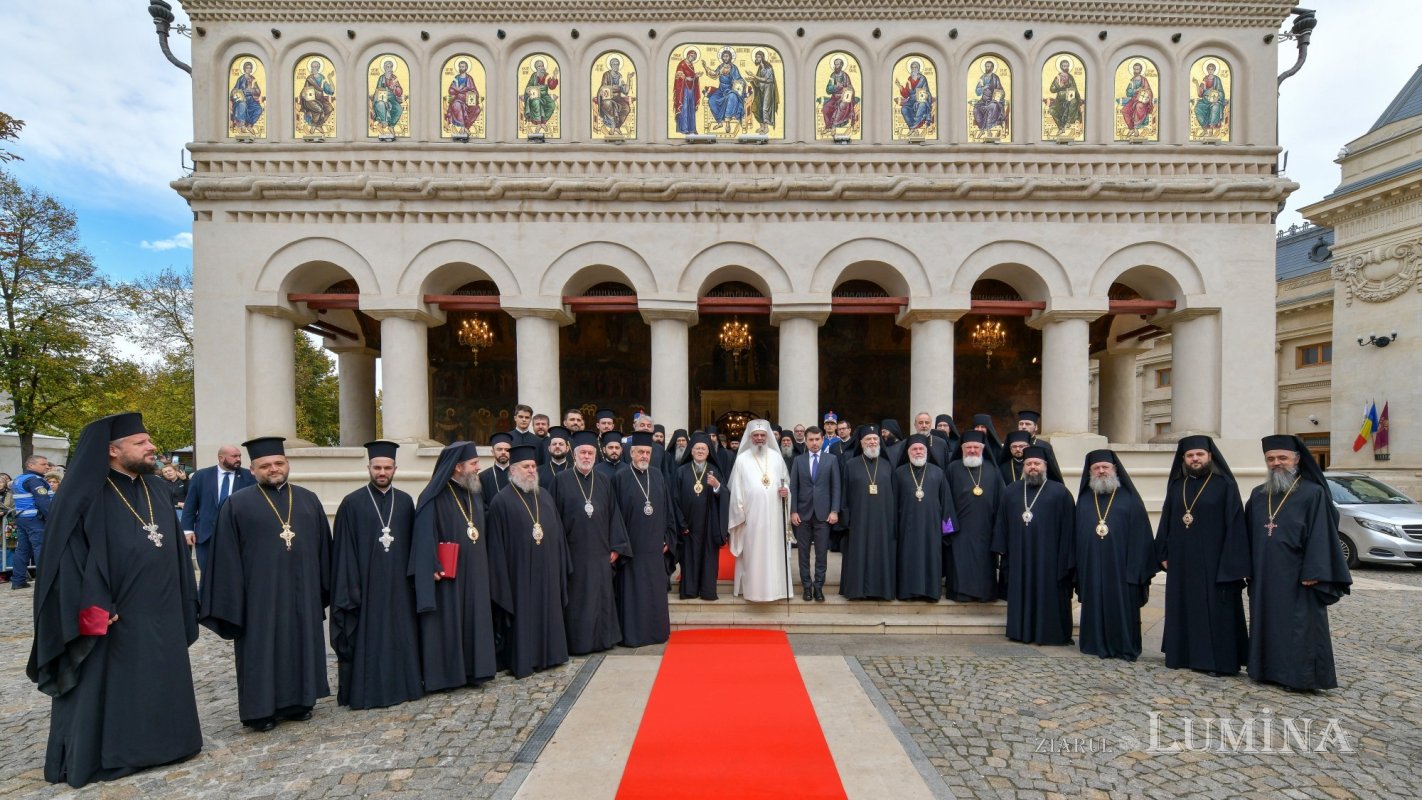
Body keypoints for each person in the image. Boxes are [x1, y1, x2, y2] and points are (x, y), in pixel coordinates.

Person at [27, 412, 201, 788]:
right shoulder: (84, 492)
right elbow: (68, 560)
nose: (151, 447)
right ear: (112, 450)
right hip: (114, 613)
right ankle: (112, 755)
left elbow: (169, 546)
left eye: (149, 440)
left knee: (158, 677)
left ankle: (166, 745)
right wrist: (95, 607)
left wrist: (186, 595)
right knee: (111, 684)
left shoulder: (156, 489)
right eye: (141, 442)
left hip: (163, 608)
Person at [200, 436, 331, 732]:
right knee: (261, 649)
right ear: (252, 469)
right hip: (258, 597)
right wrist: (235, 601)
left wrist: (322, 586)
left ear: (287, 464)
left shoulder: (308, 499)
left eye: (279, 463)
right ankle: (260, 711)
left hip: (302, 591)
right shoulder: (236, 504)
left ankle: (300, 702)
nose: (273, 469)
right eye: (265, 465)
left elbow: (324, 548)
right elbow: (225, 557)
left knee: (301, 642)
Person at [1245, 435, 1351, 691]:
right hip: (1264, 573)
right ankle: (1265, 670)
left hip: (1299, 575)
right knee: (1266, 621)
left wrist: (1315, 569)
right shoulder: (1258, 495)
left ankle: (1299, 678)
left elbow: (1322, 533)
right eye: (1270, 459)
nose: (1276, 463)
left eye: (1282, 457)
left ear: (1297, 459)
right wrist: (1246, 567)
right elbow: (1246, 534)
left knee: (1300, 627)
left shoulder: (1313, 493)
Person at [329, 440, 422, 709]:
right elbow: (344, 551)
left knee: (400, 634)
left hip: (400, 587)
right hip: (366, 586)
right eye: (377, 467)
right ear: (368, 467)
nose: (382, 472)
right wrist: (351, 588)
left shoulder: (405, 502)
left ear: (395, 468)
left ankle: (406, 686)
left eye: (387, 467)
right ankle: (367, 692)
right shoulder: (352, 503)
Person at [1156, 435, 1249, 676]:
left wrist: (1233, 563)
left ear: (1210, 456)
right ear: (1183, 459)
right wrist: (1163, 552)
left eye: (1199, 454)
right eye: (1190, 455)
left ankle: (1216, 662)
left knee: (1215, 612)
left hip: (1215, 562)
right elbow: (1166, 521)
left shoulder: (1224, 485)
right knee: (1183, 607)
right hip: (1182, 562)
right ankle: (1183, 655)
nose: (1195, 459)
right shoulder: (1178, 486)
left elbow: (1236, 525)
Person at [408, 441, 497, 690]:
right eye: (473, 463)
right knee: (449, 621)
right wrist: (432, 564)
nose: (478, 467)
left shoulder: (473, 492)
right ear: (458, 467)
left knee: (475, 619)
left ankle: (476, 670)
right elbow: (424, 535)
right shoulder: (433, 496)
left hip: (477, 570)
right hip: (448, 574)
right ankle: (448, 676)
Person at [486, 445, 570, 678]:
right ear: (513, 470)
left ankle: (551, 655)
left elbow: (558, 535)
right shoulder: (500, 501)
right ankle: (525, 660)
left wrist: (561, 564)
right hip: (518, 576)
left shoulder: (544, 495)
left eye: (533, 466)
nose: (531, 470)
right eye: (526, 466)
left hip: (548, 571)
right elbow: (495, 548)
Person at [1073, 450, 1157, 662]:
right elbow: (1076, 536)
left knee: (1122, 607)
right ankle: (1094, 644)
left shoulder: (1130, 500)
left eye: (1105, 467)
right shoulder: (1083, 500)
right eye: (1096, 468)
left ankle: (1124, 647)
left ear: (1114, 470)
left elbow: (1142, 537)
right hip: (1091, 567)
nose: (1101, 471)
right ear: (1090, 472)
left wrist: (1136, 570)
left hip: (1122, 568)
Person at [552, 431, 631, 654]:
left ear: (596, 455)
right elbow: (554, 518)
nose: (587, 457)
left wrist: (616, 546)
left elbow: (614, 514)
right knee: (578, 600)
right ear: (574, 455)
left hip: (601, 552)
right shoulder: (561, 480)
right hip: (573, 553)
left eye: (590, 453)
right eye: (583, 453)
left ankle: (602, 640)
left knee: (601, 597)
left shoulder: (604, 480)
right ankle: (579, 643)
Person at [993, 447, 1075, 646]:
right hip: (1019, 556)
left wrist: (1066, 558)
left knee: (1049, 594)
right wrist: (1001, 547)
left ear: (1045, 466)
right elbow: (1001, 522)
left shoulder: (1060, 492)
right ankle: (1020, 631)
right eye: (1029, 464)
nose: (1032, 467)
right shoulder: (1012, 490)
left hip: (1050, 559)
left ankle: (1050, 634)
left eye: (1037, 464)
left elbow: (1069, 528)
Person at [613, 432, 677, 646]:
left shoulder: (657, 475)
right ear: (631, 453)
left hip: (656, 548)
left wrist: (668, 537)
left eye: (647, 452)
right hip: (631, 549)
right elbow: (615, 515)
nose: (644, 456)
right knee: (633, 593)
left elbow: (668, 510)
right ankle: (634, 635)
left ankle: (656, 633)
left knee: (654, 592)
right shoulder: (620, 477)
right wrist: (620, 544)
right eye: (640, 451)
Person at [726, 419, 793, 602]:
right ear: (750, 437)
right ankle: (753, 591)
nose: (759, 438)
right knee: (754, 556)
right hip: (751, 518)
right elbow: (736, 491)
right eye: (756, 435)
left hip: (774, 516)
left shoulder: (777, 457)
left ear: (768, 436)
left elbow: (785, 481)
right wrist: (740, 515)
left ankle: (776, 590)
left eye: (763, 435)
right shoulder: (741, 459)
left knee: (773, 554)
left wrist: (786, 491)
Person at [944, 431, 1004, 602]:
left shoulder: (993, 470)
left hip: (986, 528)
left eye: (975, 447)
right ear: (962, 449)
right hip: (959, 529)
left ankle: (984, 594)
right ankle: (960, 594)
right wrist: (948, 530)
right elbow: (945, 500)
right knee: (959, 562)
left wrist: (998, 530)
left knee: (984, 563)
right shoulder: (953, 468)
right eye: (968, 447)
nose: (972, 450)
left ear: (982, 449)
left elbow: (1001, 502)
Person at [182, 444, 254, 584]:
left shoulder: (248, 477)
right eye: (234, 456)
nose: (238, 459)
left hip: (237, 535)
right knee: (208, 577)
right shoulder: (201, 476)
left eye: (239, 456)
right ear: (221, 458)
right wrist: (187, 530)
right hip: (206, 535)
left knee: (235, 576)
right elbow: (190, 505)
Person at [839, 425, 897, 600]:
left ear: (880, 442)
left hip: (883, 521)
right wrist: (847, 521)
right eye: (868, 439)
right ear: (861, 443)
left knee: (881, 554)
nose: (872, 442)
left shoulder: (888, 465)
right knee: (858, 554)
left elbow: (895, 495)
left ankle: (882, 591)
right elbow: (844, 494)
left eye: (875, 439)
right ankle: (857, 591)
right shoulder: (851, 464)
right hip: (859, 521)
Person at [895, 435, 955, 601]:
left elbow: (947, 503)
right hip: (906, 528)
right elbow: (893, 504)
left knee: (930, 558)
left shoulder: (938, 473)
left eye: (921, 449)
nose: (918, 452)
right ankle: (907, 592)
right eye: (914, 449)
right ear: (908, 452)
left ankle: (930, 593)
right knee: (907, 558)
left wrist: (947, 531)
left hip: (932, 529)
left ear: (927, 452)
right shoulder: (899, 473)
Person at [671, 432, 728, 600]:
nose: (700, 451)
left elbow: (725, 495)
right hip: (688, 525)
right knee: (689, 558)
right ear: (691, 451)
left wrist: (717, 486)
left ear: (709, 452)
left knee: (709, 558)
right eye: (697, 448)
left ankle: (708, 591)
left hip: (709, 523)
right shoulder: (681, 471)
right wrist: (681, 524)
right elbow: (674, 499)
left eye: (703, 448)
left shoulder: (715, 471)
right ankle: (689, 590)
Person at [789, 426, 840, 602]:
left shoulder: (831, 459)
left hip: (823, 514)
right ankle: (806, 587)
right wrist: (793, 511)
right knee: (803, 553)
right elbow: (793, 487)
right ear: (806, 440)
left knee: (821, 553)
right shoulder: (799, 460)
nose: (814, 443)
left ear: (822, 439)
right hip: (802, 514)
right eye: (811, 440)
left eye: (817, 439)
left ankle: (819, 587)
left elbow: (836, 486)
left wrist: (834, 510)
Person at [11, 454, 54, 589]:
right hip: (35, 519)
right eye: (43, 464)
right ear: (30, 465)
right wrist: (52, 518)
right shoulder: (34, 480)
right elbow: (43, 502)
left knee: (22, 550)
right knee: (41, 548)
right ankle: (44, 582)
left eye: (47, 464)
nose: (47, 466)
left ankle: (18, 580)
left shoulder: (19, 479)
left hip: (22, 518)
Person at [596, 56, 632, 135]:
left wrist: (628, 79)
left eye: (617, 64)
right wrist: (614, 87)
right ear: (611, 66)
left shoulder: (620, 76)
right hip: (607, 98)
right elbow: (603, 87)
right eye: (614, 64)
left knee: (626, 108)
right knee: (609, 104)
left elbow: (625, 91)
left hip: (618, 99)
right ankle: (612, 126)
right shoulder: (606, 74)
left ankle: (617, 127)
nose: (616, 66)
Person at [1045, 58, 1082, 135]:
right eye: (1064, 66)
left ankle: (1068, 122)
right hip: (1059, 102)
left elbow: (1075, 88)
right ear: (1061, 66)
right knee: (1052, 110)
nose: (1066, 67)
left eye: (1067, 66)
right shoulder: (1058, 77)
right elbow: (1052, 89)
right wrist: (1059, 86)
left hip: (1069, 100)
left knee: (1074, 101)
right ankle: (1061, 127)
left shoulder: (1071, 78)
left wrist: (1070, 89)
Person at [445, 59, 482, 134]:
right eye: (460, 67)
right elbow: (451, 90)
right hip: (457, 99)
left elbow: (474, 90)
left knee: (477, 109)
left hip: (467, 100)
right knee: (457, 105)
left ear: (466, 68)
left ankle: (466, 128)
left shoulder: (469, 78)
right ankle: (461, 127)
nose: (461, 68)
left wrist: (468, 92)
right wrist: (459, 89)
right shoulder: (456, 78)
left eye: (463, 67)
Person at [821, 57, 858, 131]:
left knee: (841, 105)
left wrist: (844, 90)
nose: (835, 66)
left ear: (841, 66)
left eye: (837, 64)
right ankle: (828, 126)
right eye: (835, 64)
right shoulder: (833, 76)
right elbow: (828, 89)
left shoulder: (845, 76)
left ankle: (834, 125)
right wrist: (835, 87)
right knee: (825, 108)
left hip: (845, 98)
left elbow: (850, 88)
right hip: (834, 98)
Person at [748, 49, 779, 135]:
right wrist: (752, 79)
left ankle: (766, 128)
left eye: (758, 57)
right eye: (756, 57)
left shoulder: (768, 67)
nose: (756, 59)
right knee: (756, 107)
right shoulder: (760, 68)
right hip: (761, 89)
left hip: (768, 88)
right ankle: (761, 126)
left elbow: (765, 79)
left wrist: (753, 76)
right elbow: (758, 82)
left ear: (762, 57)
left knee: (765, 108)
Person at [522, 59, 558, 129]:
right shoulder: (534, 76)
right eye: (539, 66)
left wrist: (554, 76)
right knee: (536, 102)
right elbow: (528, 87)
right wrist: (529, 90)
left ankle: (543, 122)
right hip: (535, 95)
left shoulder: (547, 75)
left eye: (542, 66)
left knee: (552, 105)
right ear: (536, 68)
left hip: (545, 95)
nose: (541, 68)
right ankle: (538, 123)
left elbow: (552, 86)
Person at [898, 60, 934, 131]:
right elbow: (906, 94)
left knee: (922, 105)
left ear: (918, 69)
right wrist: (900, 86)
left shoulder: (922, 79)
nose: (913, 69)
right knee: (904, 109)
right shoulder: (910, 79)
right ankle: (912, 126)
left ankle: (913, 126)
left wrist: (922, 98)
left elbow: (926, 91)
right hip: (911, 100)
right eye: (912, 68)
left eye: (915, 67)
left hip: (921, 100)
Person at [1120, 61, 1154, 133]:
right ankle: (1131, 128)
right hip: (1134, 99)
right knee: (1124, 110)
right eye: (1134, 69)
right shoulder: (1132, 80)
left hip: (1143, 101)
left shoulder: (1144, 80)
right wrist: (1135, 90)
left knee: (1139, 106)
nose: (1136, 71)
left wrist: (1144, 93)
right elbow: (1128, 92)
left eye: (1137, 69)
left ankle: (1136, 127)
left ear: (1140, 70)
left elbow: (1149, 90)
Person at [972, 59, 1006, 132]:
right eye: (986, 66)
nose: (987, 68)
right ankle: (982, 127)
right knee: (976, 109)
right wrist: (983, 88)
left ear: (992, 68)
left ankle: (988, 127)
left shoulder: (995, 78)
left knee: (992, 106)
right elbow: (977, 92)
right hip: (983, 101)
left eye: (989, 67)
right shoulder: (982, 78)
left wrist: (999, 93)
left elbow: (1000, 89)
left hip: (993, 101)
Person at [480, 432, 513, 506]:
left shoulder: (519, 474)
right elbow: (482, 505)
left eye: (507, 449)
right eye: (499, 449)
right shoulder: (483, 477)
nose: (503, 452)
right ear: (493, 452)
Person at [673, 47, 700, 135]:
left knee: (691, 107)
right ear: (689, 55)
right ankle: (684, 128)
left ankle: (692, 128)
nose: (693, 59)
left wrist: (696, 76)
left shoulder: (692, 65)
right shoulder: (682, 64)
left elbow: (692, 77)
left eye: (694, 58)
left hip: (691, 88)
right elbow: (678, 75)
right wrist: (685, 77)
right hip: (683, 89)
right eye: (692, 57)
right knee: (684, 107)